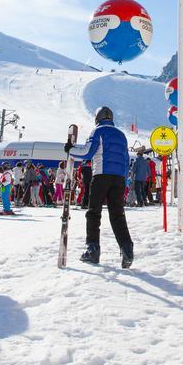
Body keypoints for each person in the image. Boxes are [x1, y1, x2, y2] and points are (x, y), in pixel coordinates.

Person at [66, 106, 134, 268]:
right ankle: (127, 248)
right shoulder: (122, 135)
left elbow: (87, 153)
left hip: (101, 174)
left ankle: (93, 249)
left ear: (98, 118)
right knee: (117, 214)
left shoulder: (98, 131)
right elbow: (126, 160)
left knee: (94, 212)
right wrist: (123, 180)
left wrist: (70, 150)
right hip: (119, 178)